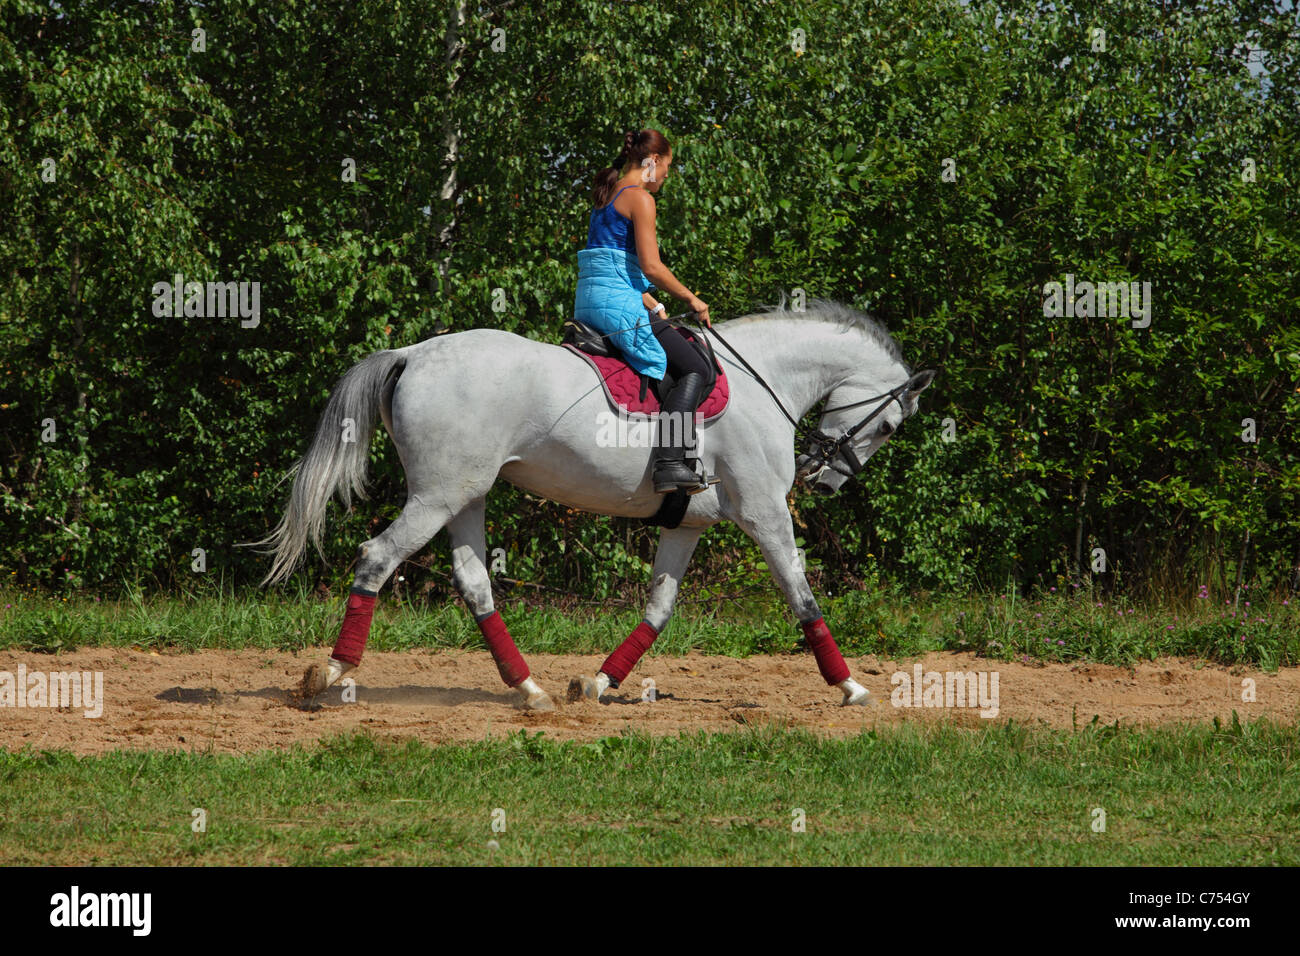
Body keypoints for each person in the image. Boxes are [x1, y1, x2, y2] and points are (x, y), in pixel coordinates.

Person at [573, 128, 714, 493]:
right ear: (651, 162)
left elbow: (615, 266)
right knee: (696, 367)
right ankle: (669, 463)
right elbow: (651, 267)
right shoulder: (639, 198)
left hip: (591, 301)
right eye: (666, 166)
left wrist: (652, 302)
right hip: (616, 307)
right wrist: (691, 299)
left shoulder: (607, 194)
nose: (667, 175)